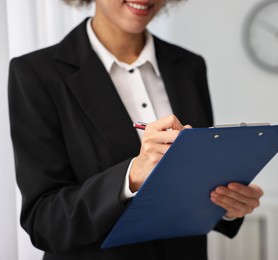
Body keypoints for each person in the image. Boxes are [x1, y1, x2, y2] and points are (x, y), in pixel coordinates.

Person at [8, 0, 264, 259]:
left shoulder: (189, 66)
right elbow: (44, 220)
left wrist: (229, 203)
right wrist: (131, 176)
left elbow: (196, 182)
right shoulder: (35, 74)